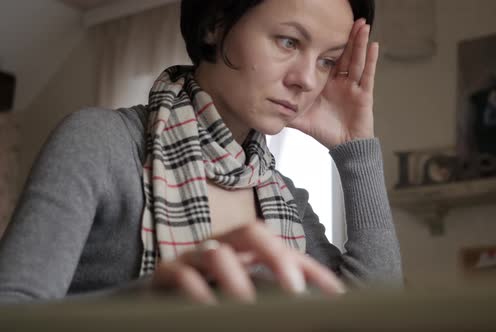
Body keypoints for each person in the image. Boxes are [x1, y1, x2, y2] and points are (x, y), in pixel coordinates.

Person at [0, 0, 402, 304]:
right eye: (288, 41)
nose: (306, 80)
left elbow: (374, 315)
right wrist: (140, 301)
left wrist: (355, 147)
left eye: (327, 61)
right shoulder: (100, 143)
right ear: (216, 25)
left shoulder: (284, 195)